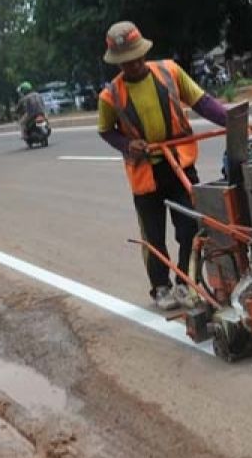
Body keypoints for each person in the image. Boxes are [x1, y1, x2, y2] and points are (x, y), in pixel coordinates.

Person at [97, 21, 229, 310]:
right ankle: (160, 287)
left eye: (135, 57)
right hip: (146, 173)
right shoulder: (110, 96)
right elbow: (106, 130)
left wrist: (232, 121)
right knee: (154, 236)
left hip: (179, 163)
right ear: (117, 63)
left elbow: (202, 102)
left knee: (191, 226)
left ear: (143, 52)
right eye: (125, 62)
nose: (132, 65)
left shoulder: (169, 72)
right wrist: (126, 145)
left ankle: (185, 281)